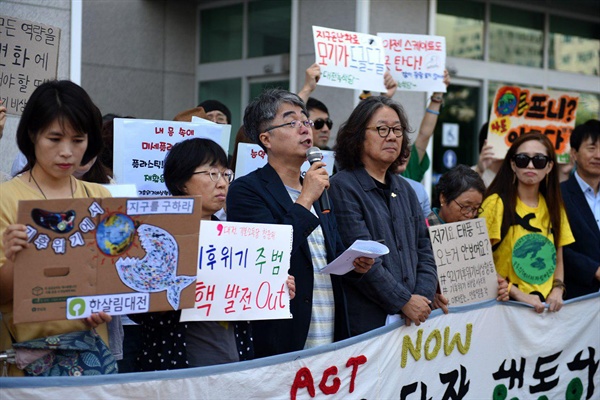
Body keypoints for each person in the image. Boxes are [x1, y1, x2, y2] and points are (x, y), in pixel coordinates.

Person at [226, 89, 373, 357]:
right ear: (266, 138)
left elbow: (328, 256)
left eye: (306, 121)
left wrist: (354, 265)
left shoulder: (317, 188)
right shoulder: (246, 191)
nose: (305, 128)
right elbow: (266, 257)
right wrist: (305, 199)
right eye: (292, 122)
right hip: (283, 339)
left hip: (331, 336)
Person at [131, 138, 295, 370]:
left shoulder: (238, 236)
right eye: (211, 174)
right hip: (176, 365)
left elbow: (248, 299)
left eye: (225, 174)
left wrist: (275, 287)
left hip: (234, 361)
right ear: (181, 182)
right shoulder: (155, 237)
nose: (222, 183)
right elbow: (137, 308)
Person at [0, 80, 114, 376]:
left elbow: (113, 278)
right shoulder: (6, 198)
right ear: (32, 135)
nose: (67, 152)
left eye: (78, 140)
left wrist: (106, 306)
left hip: (91, 357)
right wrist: (14, 260)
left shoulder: (100, 197)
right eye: (54, 139)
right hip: (25, 360)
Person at [329, 96, 438, 334]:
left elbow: (425, 250)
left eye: (397, 130)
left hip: (413, 318)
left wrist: (422, 297)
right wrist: (403, 301)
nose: (391, 136)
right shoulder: (342, 187)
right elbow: (364, 259)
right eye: (381, 129)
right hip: (367, 324)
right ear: (358, 136)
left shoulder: (406, 189)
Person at [480, 133, 574, 313]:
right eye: (523, 159)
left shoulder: (555, 207)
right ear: (513, 164)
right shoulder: (495, 204)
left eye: (539, 160)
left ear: (549, 166)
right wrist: (516, 293)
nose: (530, 165)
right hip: (505, 309)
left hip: (546, 312)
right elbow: (478, 262)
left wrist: (557, 289)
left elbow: (558, 259)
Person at [426, 165, 509, 313]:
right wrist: (430, 296)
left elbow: (479, 274)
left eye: (476, 209)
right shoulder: (421, 230)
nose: (470, 215)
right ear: (443, 198)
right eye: (465, 206)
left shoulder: (474, 236)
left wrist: (497, 287)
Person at [561, 119, 600, 298]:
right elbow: (557, 247)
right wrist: (594, 270)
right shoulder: (559, 194)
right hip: (577, 298)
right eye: (591, 148)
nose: (598, 155)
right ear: (574, 153)